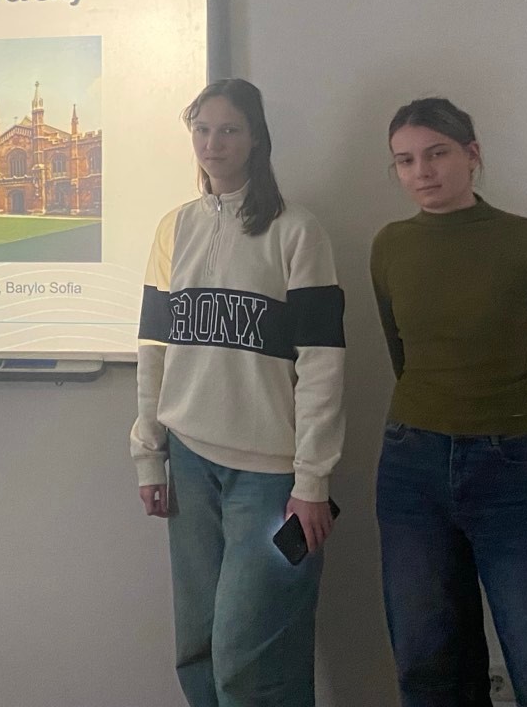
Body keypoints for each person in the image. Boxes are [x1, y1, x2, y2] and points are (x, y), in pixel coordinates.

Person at [371, 98, 527, 707]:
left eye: (437, 153)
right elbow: (404, 355)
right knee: (428, 661)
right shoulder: (390, 245)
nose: (422, 171)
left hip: (508, 465)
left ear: (472, 155)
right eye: (405, 160)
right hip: (410, 465)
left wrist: (505, 412)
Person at [132, 78, 346, 707]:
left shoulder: (297, 231)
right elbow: (153, 350)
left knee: (250, 662)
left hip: (270, 479)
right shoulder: (174, 228)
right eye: (202, 129)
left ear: (256, 138)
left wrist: (312, 480)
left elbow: (323, 364)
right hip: (189, 464)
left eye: (229, 130)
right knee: (198, 650)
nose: (213, 143)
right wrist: (149, 454)